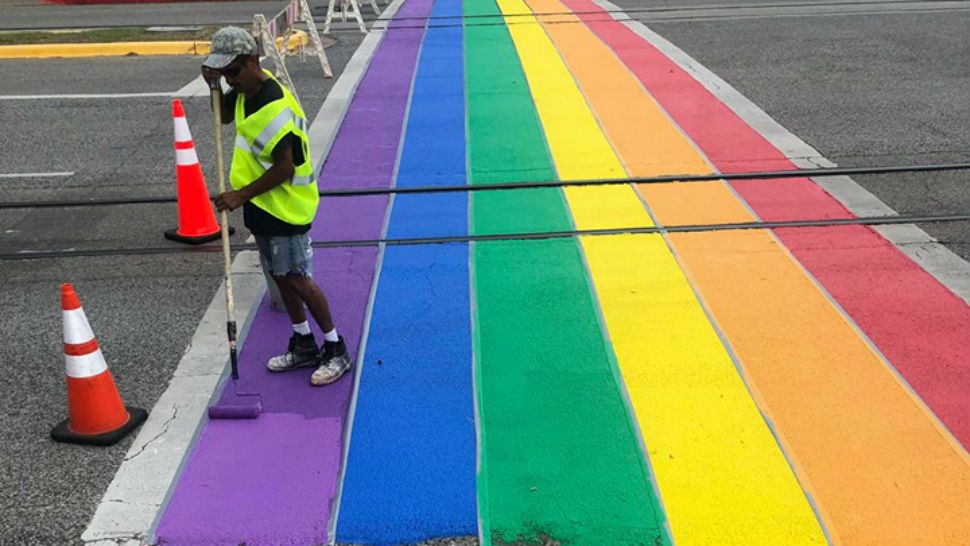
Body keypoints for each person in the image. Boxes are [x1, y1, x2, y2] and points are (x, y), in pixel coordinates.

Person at [201, 26, 351, 386]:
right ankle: (303, 343)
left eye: (233, 71)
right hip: (263, 205)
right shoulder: (244, 92)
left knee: (298, 278)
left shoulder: (275, 105)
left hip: (285, 206)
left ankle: (335, 348)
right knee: (280, 276)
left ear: (253, 61)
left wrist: (240, 195)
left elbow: (286, 168)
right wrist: (215, 85)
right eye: (224, 73)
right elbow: (223, 116)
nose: (230, 79)